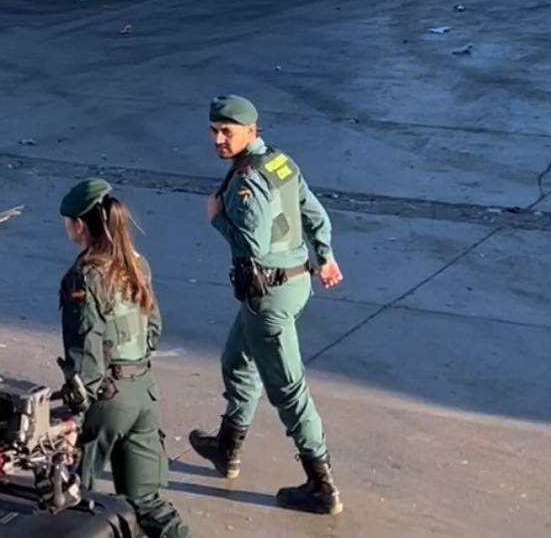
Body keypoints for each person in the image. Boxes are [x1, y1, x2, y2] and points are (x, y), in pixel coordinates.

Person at [188, 94, 344, 515]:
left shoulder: (245, 181)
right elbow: (313, 212)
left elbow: (252, 244)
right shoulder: (279, 162)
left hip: (268, 295)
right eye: (214, 131)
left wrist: (217, 218)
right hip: (292, 282)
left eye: (227, 132)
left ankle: (321, 483)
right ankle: (227, 446)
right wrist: (325, 256)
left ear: (251, 131)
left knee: (288, 389)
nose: (219, 139)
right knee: (236, 360)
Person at [57, 178, 191, 538]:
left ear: (79, 226)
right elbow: (153, 330)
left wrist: (74, 417)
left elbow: (85, 351)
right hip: (143, 393)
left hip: (106, 400)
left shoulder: (84, 278)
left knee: (69, 499)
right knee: (145, 500)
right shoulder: (136, 264)